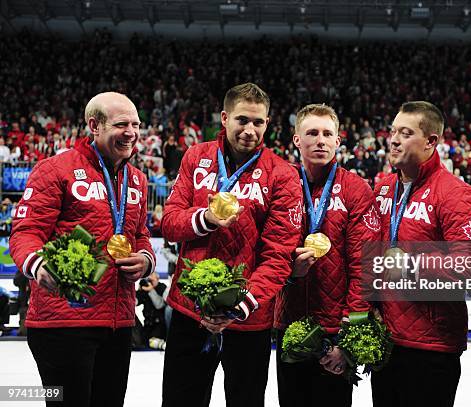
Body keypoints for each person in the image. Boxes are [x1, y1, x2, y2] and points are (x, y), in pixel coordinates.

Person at [9, 92, 155, 407]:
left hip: (118, 323)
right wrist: (38, 266)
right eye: (121, 124)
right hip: (63, 322)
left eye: (135, 124)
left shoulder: (138, 180)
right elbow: (26, 231)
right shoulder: (54, 169)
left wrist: (145, 259)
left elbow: (141, 235)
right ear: (94, 125)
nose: (131, 132)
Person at [161, 83, 303, 407]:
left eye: (258, 122)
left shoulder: (282, 175)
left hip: (248, 318)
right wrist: (206, 219)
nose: (249, 130)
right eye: (242, 120)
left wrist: (237, 307)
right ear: (224, 118)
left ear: (268, 123)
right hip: (190, 309)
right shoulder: (196, 156)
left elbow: (279, 255)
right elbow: (169, 223)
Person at [371, 101, 471, 407]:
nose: (394, 139)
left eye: (406, 132)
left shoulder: (455, 193)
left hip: (431, 346)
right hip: (385, 339)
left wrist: (411, 265)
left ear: (431, 141)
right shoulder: (384, 188)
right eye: (393, 130)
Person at [274, 104, 381, 407]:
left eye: (327, 134)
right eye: (312, 133)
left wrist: (348, 340)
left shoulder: (355, 189)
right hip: (290, 324)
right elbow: (269, 251)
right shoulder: (283, 185)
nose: (320, 140)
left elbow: (365, 266)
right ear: (297, 140)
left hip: (336, 329)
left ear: (338, 141)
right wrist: (287, 272)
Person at [135, 271, 167, 349]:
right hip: (147, 325)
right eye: (148, 277)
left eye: (152, 275)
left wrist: (151, 290)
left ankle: (161, 344)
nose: (149, 278)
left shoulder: (162, 287)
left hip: (160, 324)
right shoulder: (144, 288)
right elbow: (134, 302)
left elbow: (159, 305)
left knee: (153, 341)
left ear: (157, 278)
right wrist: (136, 292)